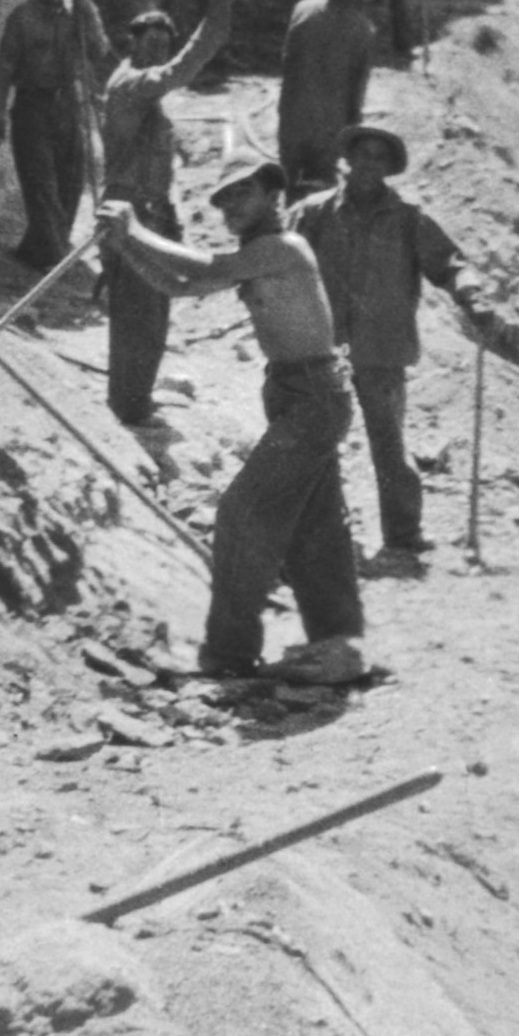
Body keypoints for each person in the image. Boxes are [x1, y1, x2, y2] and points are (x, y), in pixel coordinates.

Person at [98, 164, 365, 681]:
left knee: (242, 514)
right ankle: (339, 647)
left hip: (313, 395)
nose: (231, 208)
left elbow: (199, 269)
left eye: (243, 194)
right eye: (223, 202)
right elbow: (178, 287)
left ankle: (229, 653)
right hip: (297, 393)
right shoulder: (257, 255)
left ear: (272, 194)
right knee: (317, 524)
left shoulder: (283, 247)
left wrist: (132, 229)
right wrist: (125, 246)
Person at [290, 125, 496, 569]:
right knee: (317, 442)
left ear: (389, 168)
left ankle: (403, 535)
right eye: (362, 155)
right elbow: (280, 260)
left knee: (389, 443)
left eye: (379, 159)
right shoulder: (313, 214)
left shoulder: (409, 218)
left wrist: (474, 296)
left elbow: (452, 265)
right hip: (320, 349)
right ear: (347, 160)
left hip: (381, 351)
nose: (369, 165)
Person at [99, 0, 238, 428]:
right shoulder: (132, 85)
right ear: (132, 42)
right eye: (149, 40)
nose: (158, 47)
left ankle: (134, 401)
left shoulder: (143, 91)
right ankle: (128, 409)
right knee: (138, 315)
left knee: (150, 314)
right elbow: (190, 63)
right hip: (129, 213)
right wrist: (218, 0)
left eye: (164, 40)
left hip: (149, 212)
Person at [0, 0, 112, 270]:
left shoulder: (79, 15)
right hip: (32, 107)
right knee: (40, 183)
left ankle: (39, 249)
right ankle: (56, 259)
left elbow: (100, 53)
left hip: (68, 105)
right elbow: (5, 68)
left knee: (70, 182)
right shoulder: (23, 18)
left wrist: (90, 15)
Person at [276, 0, 380, 193]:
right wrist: (353, 131)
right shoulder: (364, 30)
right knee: (321, 192)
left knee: (289, 186)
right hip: (330, 127)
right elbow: (357, 90)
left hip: (293, 118)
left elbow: (287, 61)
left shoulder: (302, 10)